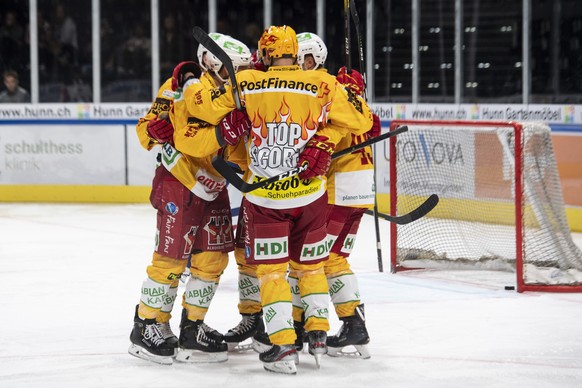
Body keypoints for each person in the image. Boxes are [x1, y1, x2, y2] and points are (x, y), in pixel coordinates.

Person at [181, 25, 373, 374]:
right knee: (312, 267)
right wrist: (352, 96)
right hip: (312, 195)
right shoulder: (324, 84)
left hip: (267, 198)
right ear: (297, 55)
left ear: (266, 54)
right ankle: (316, 332)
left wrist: (189, 83)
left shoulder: (248, 81)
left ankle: (283, 343)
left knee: (271, 273)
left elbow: (206, 112)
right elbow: (362, 119)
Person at [128, 33, 251, 365]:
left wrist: (236, 162)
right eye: (231, 70)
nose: (237, 77)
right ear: (210, 64)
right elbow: (146, 128)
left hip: (213, 187)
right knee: (170, 260)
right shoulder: (178, 87)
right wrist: (154, 130)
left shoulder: (236, 95)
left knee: (212, 260)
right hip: (178, 181)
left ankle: (191, 328)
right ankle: (147, 324)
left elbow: (239, 156)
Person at [295, 32, 380, 359]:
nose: (300, 65)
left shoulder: (327, 89)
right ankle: (353, 324)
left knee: (315, 258)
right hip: (357, 187)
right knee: (334, 258)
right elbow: (370, 126)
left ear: (317, 59)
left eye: (305, 58)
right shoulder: (345, 89)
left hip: (340, 187)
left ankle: (321, 322)